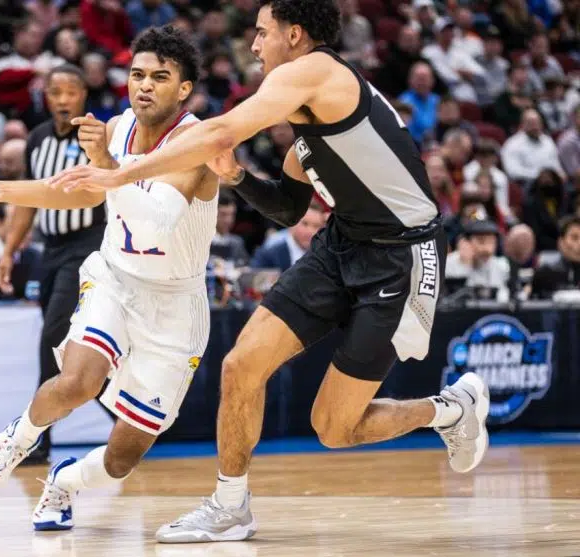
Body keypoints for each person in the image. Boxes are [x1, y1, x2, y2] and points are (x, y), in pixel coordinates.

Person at [50, 0, 491, 542]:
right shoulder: (308, 111)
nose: (254, 46)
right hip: (342, 242)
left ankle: (447, 409)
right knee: (241, 365)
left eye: (262, 33)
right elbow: (286, 207)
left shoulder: (315, 72)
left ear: (295, 34)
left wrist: (122, 174)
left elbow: (216, 133)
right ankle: (230, 505)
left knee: (334, 428)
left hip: (402, 257)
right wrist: (235, 175)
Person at [0, 25, 219, 533]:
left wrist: (106, 165)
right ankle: (18, 439)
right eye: (137, 74)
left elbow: (155, 221)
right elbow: (80, 192)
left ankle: (65, 482)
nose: (144, 85)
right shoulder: (120, 126)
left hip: (175, 305)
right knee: (78, 381)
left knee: (125, 454)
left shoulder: (196, 143)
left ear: (184, 89)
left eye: (160, 77)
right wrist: (0, 191)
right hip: (116, 279)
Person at [0, 65, 107, 465]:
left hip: (90, 244)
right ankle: (126, 418)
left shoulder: (98, 137)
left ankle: (38, 439)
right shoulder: (37, 139)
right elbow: (29, 199)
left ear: (83, 95)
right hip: (50, 249)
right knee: (64, 345)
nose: (62, 100)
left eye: (70, 92)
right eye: (54, 92)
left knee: (51, 338)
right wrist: (9, 250)